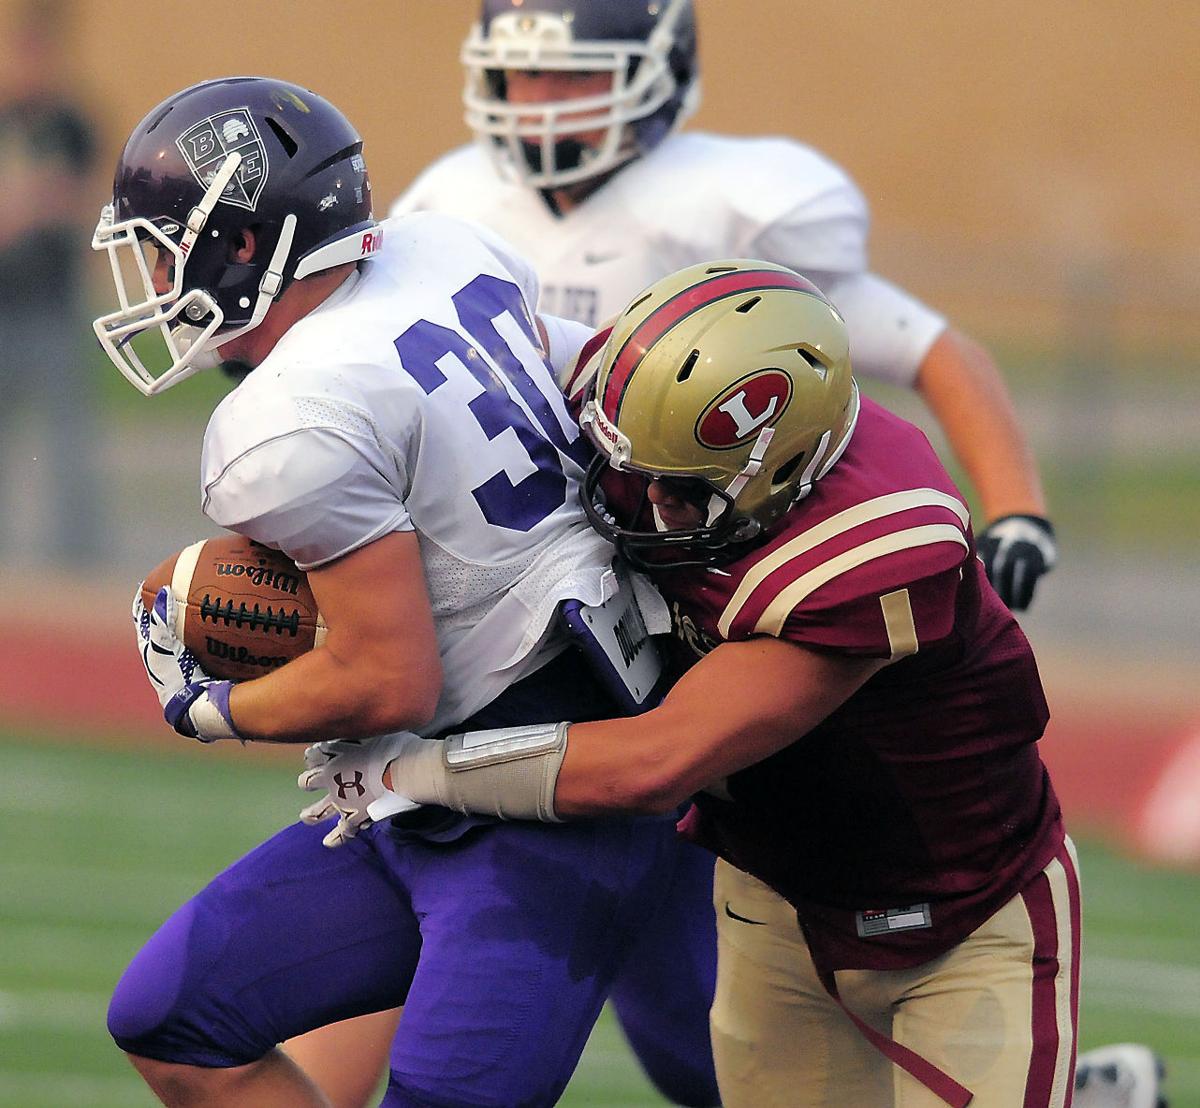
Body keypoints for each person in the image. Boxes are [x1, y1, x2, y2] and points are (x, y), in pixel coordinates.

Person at [318, 260, 1081, 1106]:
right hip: (772, 897)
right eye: (634, 468)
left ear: (783, 469)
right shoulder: (644, 419)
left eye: (679, 487)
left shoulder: (873, 545)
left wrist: (415, 771)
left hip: (965, 910)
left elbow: (657, 761)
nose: (643, 502)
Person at [93, 74, 702, 1108]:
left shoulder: (285, 418)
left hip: (547, 799)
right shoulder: (442, 248)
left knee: (721, 1071)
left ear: (245, 245)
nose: (154, 278)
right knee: (170, 1017)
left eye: (165, 248)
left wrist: (210, 706)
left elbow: (387, 679)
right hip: (436, 777)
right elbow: (583, 381)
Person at [393, 0, 1058, 615]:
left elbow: (932, 350)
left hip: (696, 556)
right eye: (526, 73)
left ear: (658, 73)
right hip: (514, 566)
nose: (542, 102)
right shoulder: (450, 201)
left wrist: (1017, 511)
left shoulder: (727, 204)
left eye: (576, 76)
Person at [0, 0, 103, 566]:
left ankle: (77, 560)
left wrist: (35, 201)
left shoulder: (71, 126)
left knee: (68, 441)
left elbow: (84, 201)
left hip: (55, 302)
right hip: (4, 302)